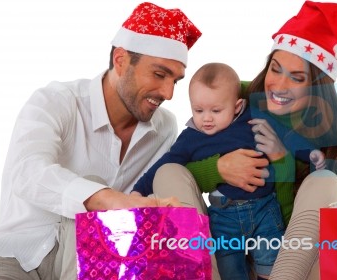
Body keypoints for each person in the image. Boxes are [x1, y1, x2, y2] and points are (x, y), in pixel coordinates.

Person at [0, 2, 202, 280]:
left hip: (97, 264)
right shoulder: (57, 101)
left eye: (176, 80)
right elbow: (26, 172)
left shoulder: (163, 128)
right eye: (159, 75)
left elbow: (161, 188)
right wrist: (107, 199)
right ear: (121, 60)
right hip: (16, 254)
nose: (168, 93)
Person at [151, 1, 337, 280]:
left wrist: (281, 160)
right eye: (275, 69)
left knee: (326, 180)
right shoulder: (230, 101)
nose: (279, 85)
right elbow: (186, 157)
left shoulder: (326, 139)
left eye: (297, 78)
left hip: (288, 256)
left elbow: (299, 225)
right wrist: (219, 169)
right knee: (168, 171)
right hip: (223, 255)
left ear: (316, 89)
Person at [132, 62, 326, 279]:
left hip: (264, 209)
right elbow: (166, 163)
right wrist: (139, 190)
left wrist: (311, 154)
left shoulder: (253, 119)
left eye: (216, 111)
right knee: (229, 267)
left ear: (236, 106)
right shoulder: (191, 137)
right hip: (223, 215)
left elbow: (286, 135)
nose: (206, 118)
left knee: (272, 262)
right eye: (198, 110)